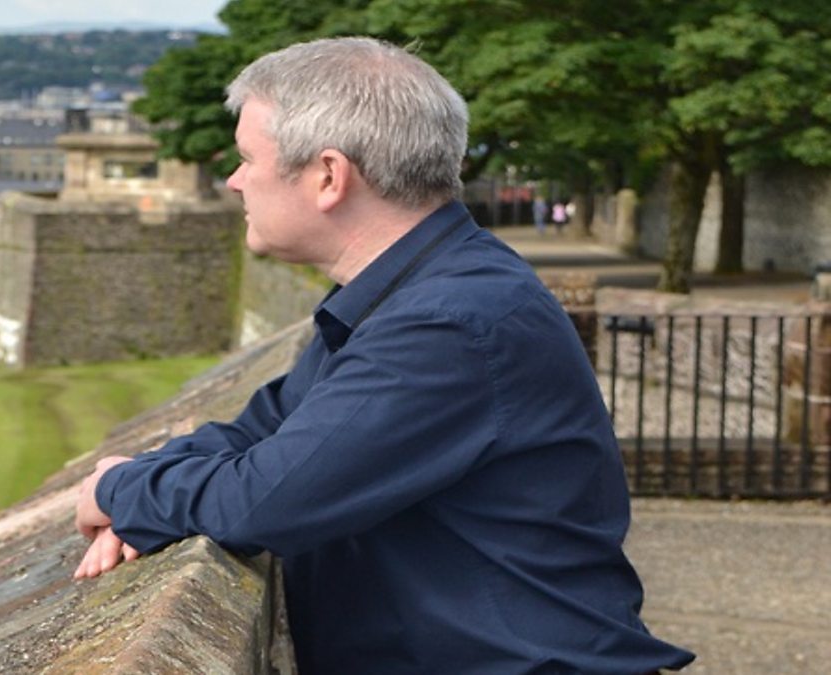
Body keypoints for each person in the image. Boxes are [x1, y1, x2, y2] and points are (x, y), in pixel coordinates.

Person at [73, 37, 694, 674]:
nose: (233, 181)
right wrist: (144, 479)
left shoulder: (448, 319)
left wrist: (120, 489)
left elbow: (267, 499)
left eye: (247, 158)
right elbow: (262, 430)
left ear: (328, 176)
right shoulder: (405, 291)